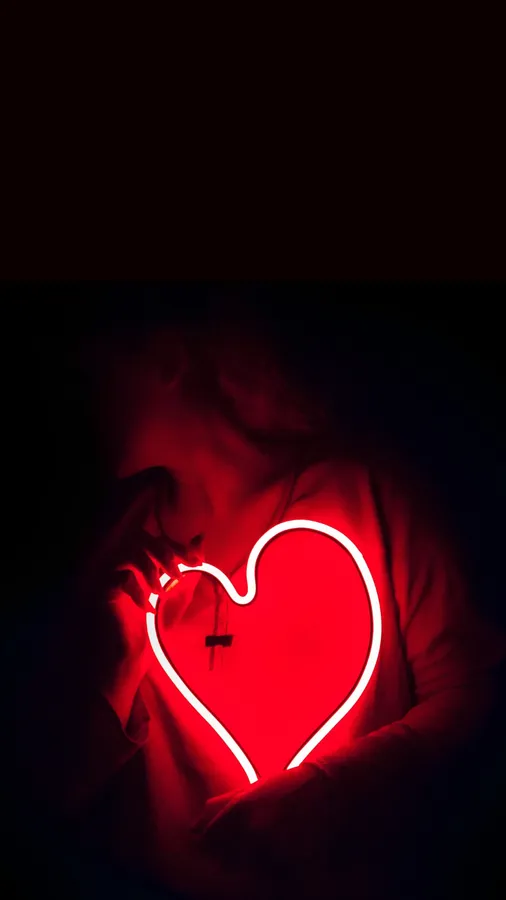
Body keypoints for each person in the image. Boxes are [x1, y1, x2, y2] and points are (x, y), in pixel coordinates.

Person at [9, 305, 505, 899]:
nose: (66, 382)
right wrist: (110, 677)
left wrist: (330, 788)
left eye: (90, 361)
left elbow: (478, 698)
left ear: (167, 359)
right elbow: (42, 801)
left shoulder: (367, 497)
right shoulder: (115, 548)